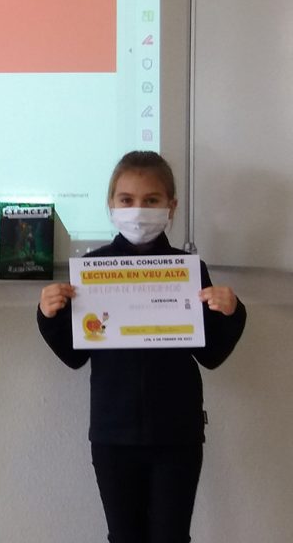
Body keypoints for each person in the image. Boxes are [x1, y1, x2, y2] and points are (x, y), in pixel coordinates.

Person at [37, 150, 246, 543]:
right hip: (113, 434)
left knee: (171, 537)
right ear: (110, 205)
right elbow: (74, 356)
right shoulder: (93, 269)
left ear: (171, 207)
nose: (138, 211)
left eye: (151, 200)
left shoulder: (189, 270)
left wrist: (231, 312)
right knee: (124, 537)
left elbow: (212, 354)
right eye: (127, 200)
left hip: (177, 434)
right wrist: (49, 315)